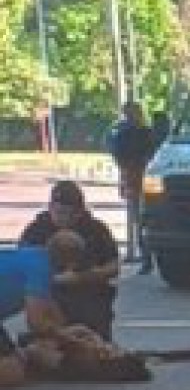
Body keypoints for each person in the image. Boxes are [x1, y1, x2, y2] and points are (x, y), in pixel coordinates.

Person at [19, 181, 122, 340]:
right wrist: (54, 280)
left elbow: (114, 266)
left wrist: (86, 276)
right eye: (58, 212)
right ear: (50, 207)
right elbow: (23, 267)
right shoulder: (36, 230)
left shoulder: (95, 228)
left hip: (90, 297)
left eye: (69, 213)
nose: (62, 218)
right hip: (49, 295)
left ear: (80, 212)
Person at [0, 246, 65, 389]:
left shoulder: (33, 256)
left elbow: (53, 311)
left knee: (17, 360)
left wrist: (62, 332)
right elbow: (35, 322)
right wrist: (65, 337)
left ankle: (25, 353)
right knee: (12, 372)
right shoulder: (41, 268)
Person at [109, 101, 159, 259]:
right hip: (144, 176)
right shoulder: (145, 132)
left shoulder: (124, 133)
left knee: (139, 216)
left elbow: (117, 154)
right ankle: (147, 254)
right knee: (145, 216)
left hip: (136, 176)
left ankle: (146, 254)